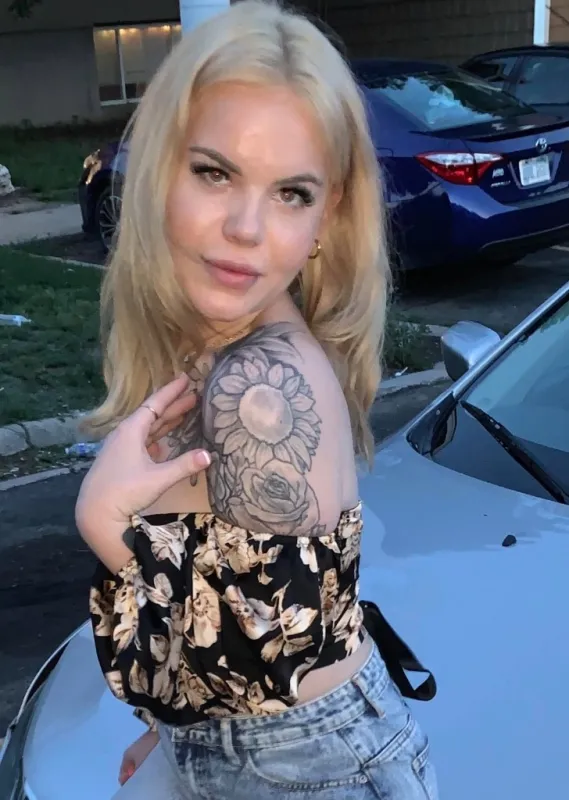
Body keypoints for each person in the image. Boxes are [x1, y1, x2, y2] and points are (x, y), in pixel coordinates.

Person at [75, 1, 438, 797]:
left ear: (325, 217)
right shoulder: (225, 346)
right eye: (215, 173)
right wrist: (173, 730)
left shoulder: (259, 380)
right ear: (160, 174)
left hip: (305, 769)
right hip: (264, 747)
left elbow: (256, 644)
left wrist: (105, 523)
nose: (246, 226)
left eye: (290, 193)